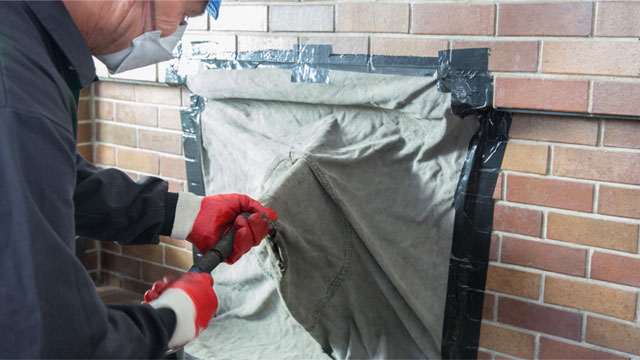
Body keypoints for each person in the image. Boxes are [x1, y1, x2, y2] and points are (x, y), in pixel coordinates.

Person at [0, 0, 277, 357]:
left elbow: (48, 178)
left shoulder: (23, 38)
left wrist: (183, 213)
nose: (172, 34)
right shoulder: (17, 86)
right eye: (186, 16)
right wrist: (167, 322)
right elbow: (51, 338)